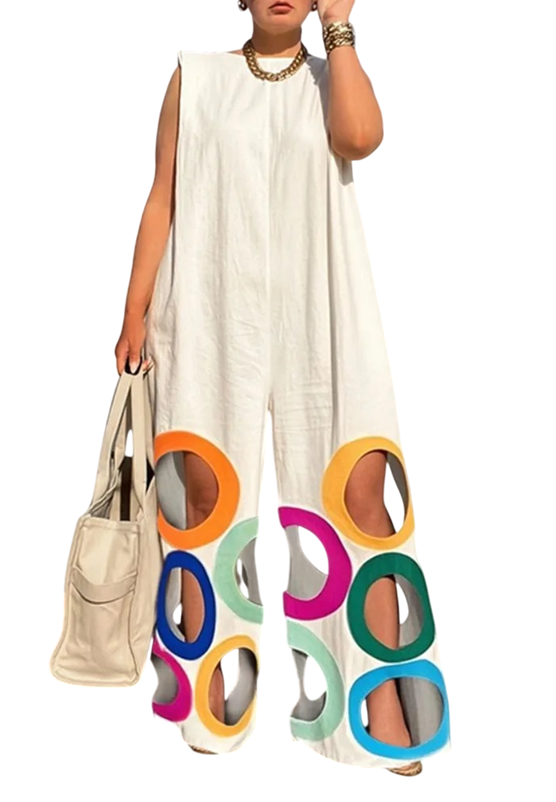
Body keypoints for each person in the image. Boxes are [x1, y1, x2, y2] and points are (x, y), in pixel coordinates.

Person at [114, 0, 450, 776]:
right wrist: (134, 310)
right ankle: (209, 706)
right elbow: (163, 195)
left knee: (358, 500)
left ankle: (379, 710)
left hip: (322, 307)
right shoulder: (196, 78)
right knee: (205, 503)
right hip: (208, 307)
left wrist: (340, 26)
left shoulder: (334, 79)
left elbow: (361, 138)